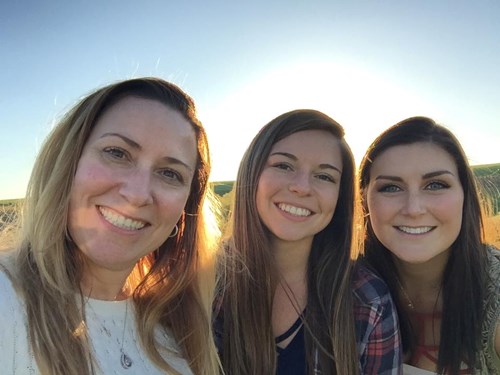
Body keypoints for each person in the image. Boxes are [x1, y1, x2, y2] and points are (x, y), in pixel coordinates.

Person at [0, 77, 221, 375]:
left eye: (170, 173)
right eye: (117, 153)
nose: (138, 194)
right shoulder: (7, 301)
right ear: (66, 162)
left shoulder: (176, 329)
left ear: (184, 211)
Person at [214, 109, 402, 374]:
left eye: (324, 176)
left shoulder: (367, 298)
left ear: (339, 197)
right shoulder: (202, 287)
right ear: (252, 174)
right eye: (283, 165)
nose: (302, 187)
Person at [358, 116, 500, 374]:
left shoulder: (495, 297)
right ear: (365, 201)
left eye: (435, 185)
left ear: (465, 196)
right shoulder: (343, 291)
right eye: (390, 187)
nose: (414, 209)